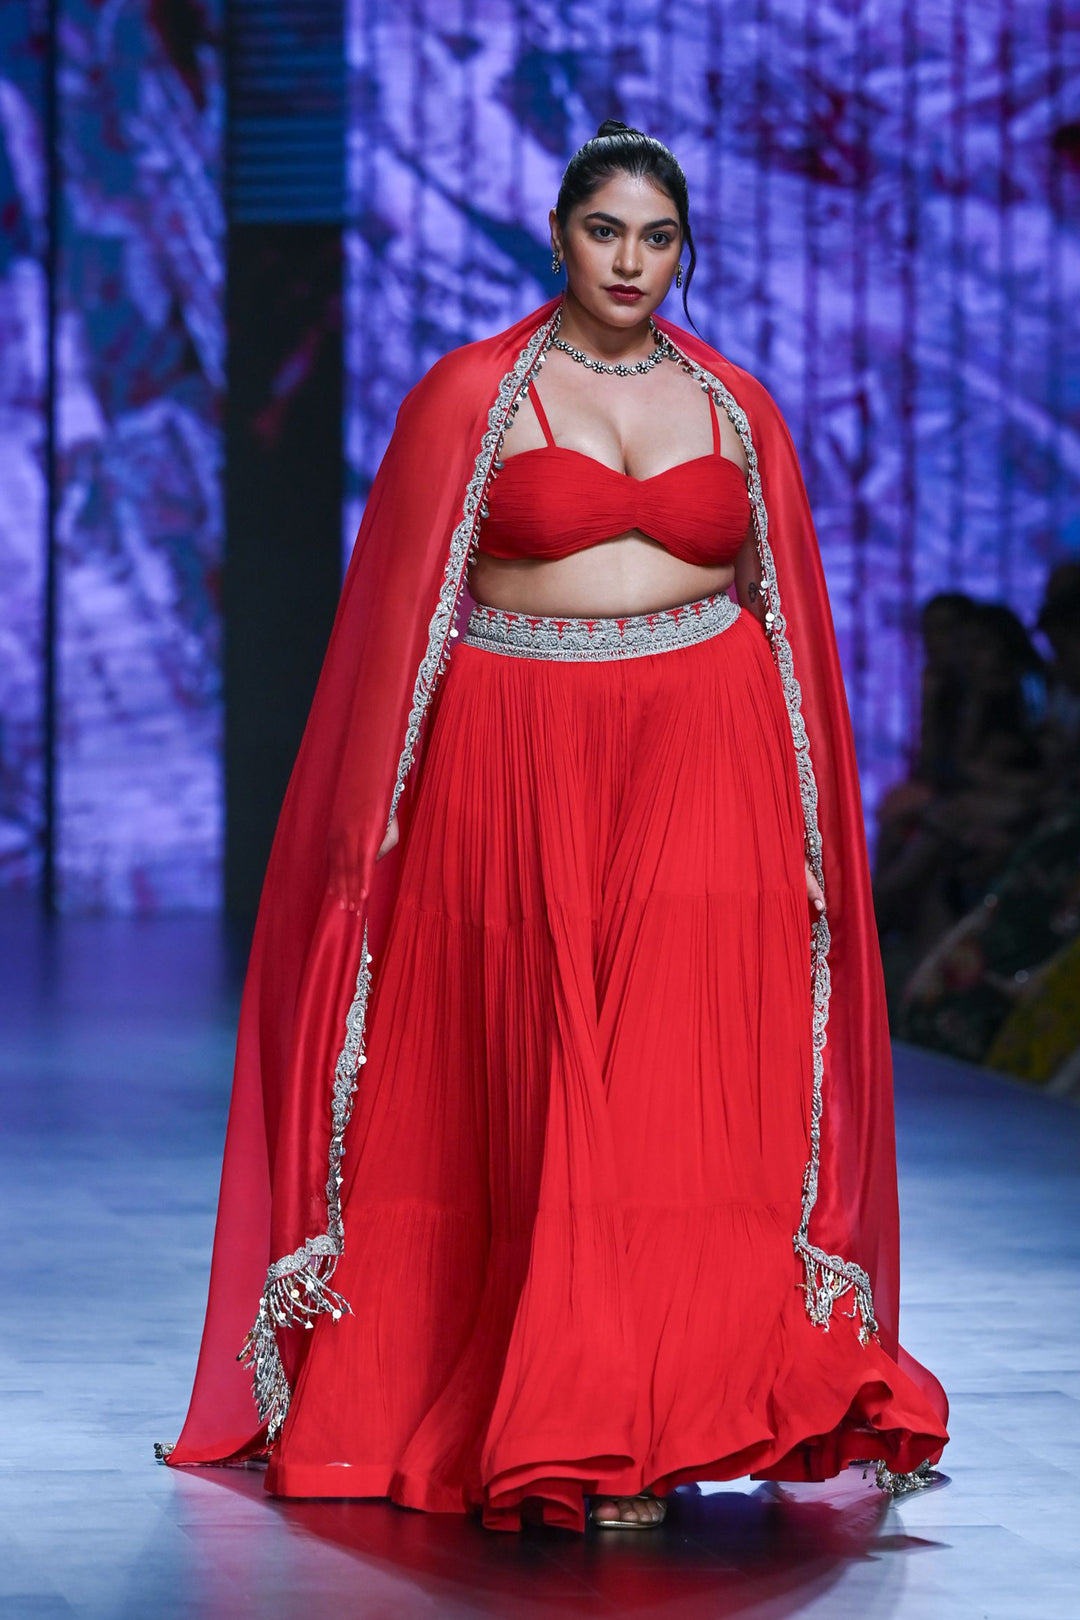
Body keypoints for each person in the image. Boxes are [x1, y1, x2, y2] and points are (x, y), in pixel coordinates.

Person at [159, 121, 949, 1533]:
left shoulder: (739, 408)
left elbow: (789, 626)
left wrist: (809, 825)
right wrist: (372, 830)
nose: (630, 261)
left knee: (673, 1088)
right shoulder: (471, 394)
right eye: (605, 232)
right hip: (518, 748)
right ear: (559, 236)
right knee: (539, 1084)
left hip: (707, 752)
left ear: (685, 249)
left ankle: (653, 1415)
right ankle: (558, 1415)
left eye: (658, 237)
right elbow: (398, 615)